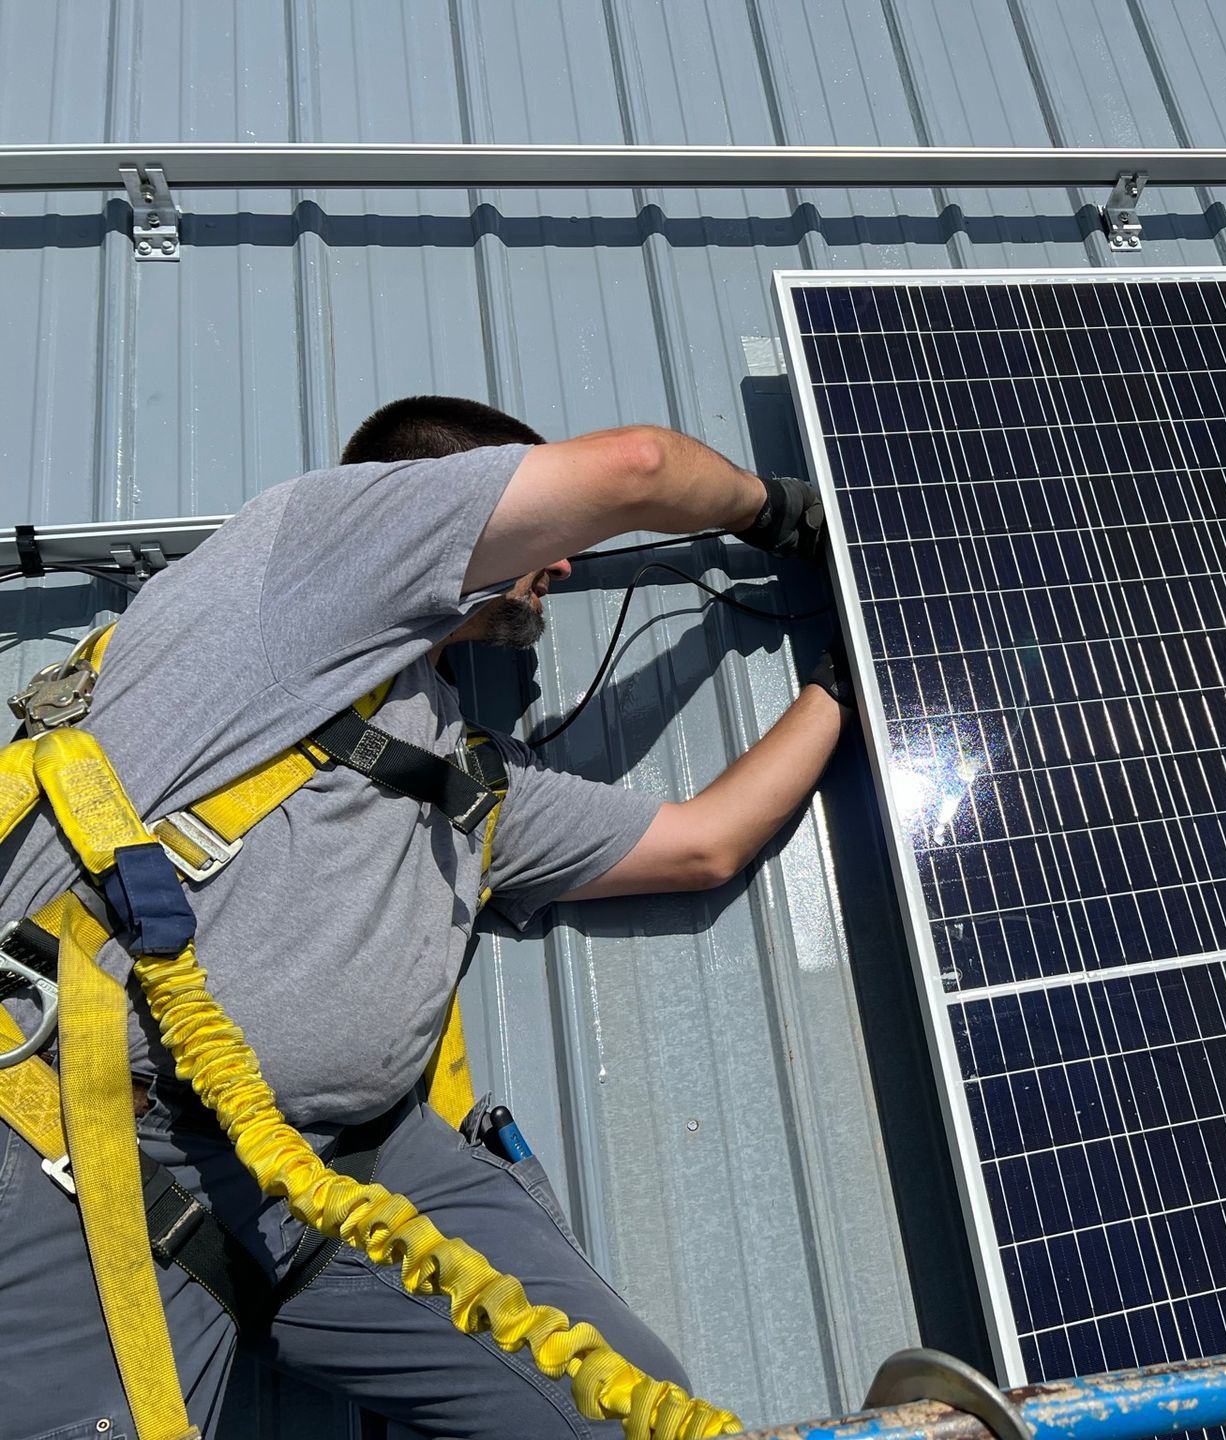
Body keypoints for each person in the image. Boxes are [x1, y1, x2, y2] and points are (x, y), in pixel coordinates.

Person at [0, 395, 850, 1439]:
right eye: (552, 532)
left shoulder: (466, 778)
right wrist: (784, 516)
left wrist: (838, 688)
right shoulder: (307, 557)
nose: (571, 564)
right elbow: (636, 467)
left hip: (358, 1166)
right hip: (88, 1145)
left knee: (625, 1415)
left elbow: (699, 843)